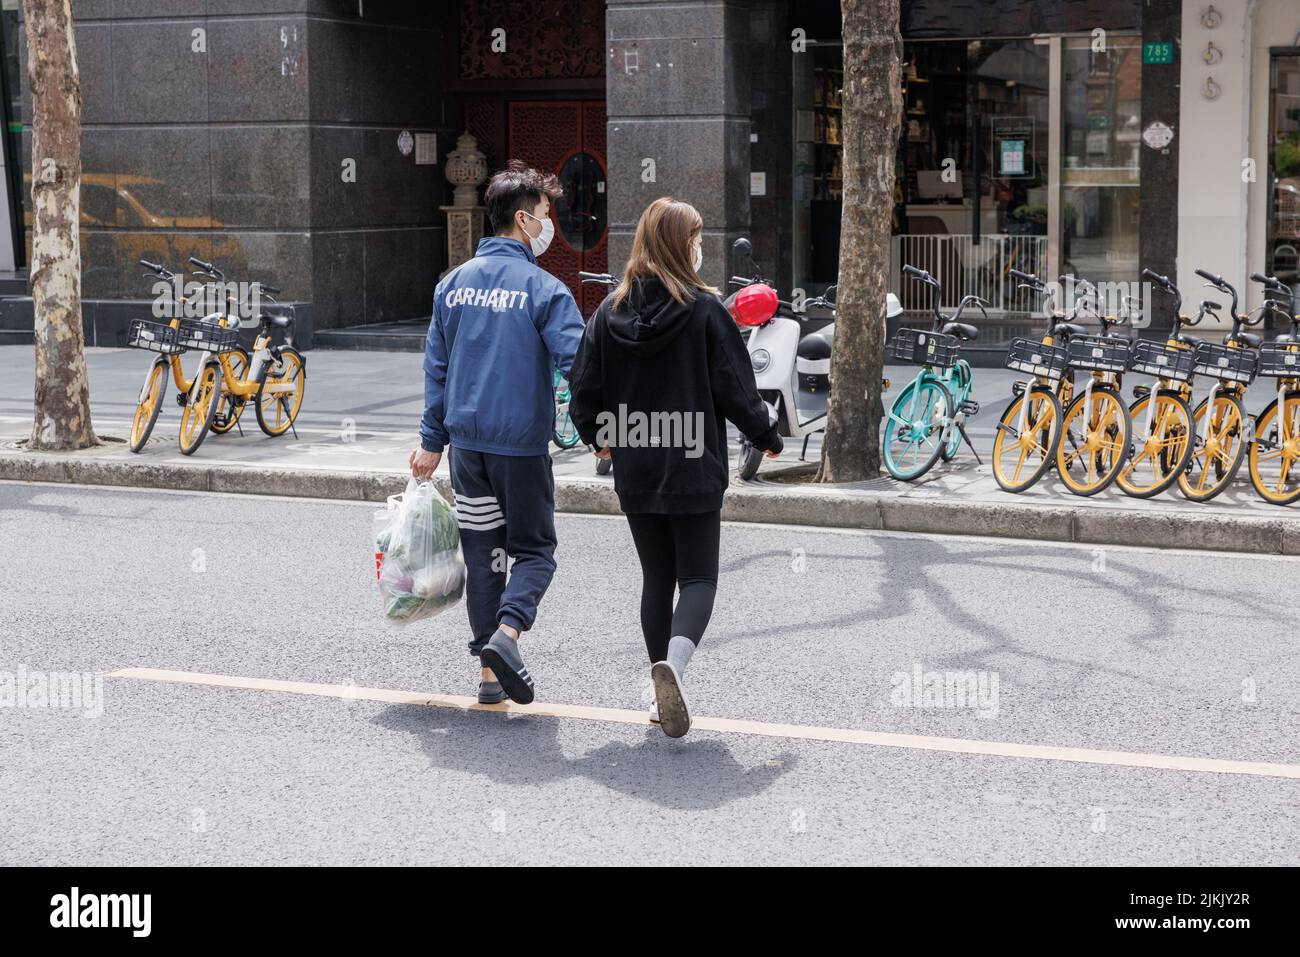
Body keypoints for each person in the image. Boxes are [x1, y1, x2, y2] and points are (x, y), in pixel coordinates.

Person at [568, 198, 782, 738]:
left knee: (657, 578)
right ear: (682, 245)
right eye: (697, 236)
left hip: (636, 465)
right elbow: (736, 387)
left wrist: (601, 438)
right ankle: (674, 672)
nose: (700, 245)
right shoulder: (706, 310)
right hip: (692, 465)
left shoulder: (607, 313)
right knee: (700, 578)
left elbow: (581, 390)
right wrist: (767, 437)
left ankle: (656, 687)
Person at [411, 160, 584, 707]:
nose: (549, 223)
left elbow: (435, 368)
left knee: (485, 553)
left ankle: (488, 679)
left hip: (467, 452)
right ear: (522, 219)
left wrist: (430, 441)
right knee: (535, 551)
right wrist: (600, 425)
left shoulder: (452, 285)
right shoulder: (545, 289)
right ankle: (506, 638)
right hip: (520, 448)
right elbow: (579, 363)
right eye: (546, 214)